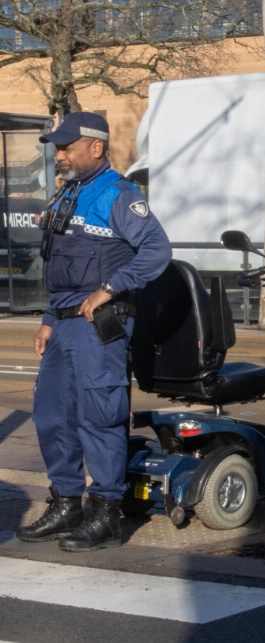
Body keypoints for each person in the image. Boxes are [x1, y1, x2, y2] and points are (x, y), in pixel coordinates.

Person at [17, 112, 172, 551]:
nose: (59, 155)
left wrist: (110, 288)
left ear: (96, 148)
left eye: (66, 147)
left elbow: (157, 249)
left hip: (97, 326)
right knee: (52, 416)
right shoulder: (69, 193)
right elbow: (61, 271)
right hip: (64, 325)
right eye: (57, 148)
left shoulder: (119, 194)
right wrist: (49, 321)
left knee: (99, 417)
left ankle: (106, 513)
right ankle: (67, 503)